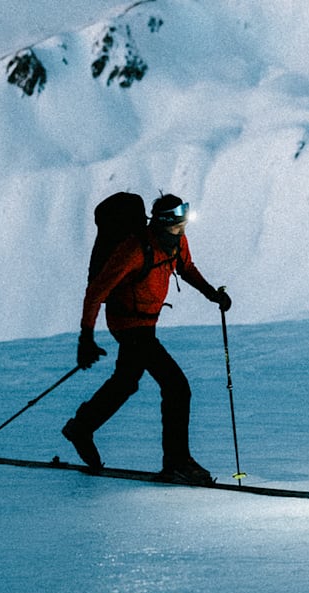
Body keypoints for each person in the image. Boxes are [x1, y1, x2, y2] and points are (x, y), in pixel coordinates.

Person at [62, 193, 232, 483]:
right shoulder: (134, 249)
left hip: (146, 323)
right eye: (177, 228)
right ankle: (177, 461)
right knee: (177, 387)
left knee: (126, 382)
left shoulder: (176, 242)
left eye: (183, 227)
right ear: (163, 224)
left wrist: (212, 294)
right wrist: (86, 337)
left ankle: (81, 427)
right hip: (127, 324)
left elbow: (186, 267)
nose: (182, 233)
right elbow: (96, 292)